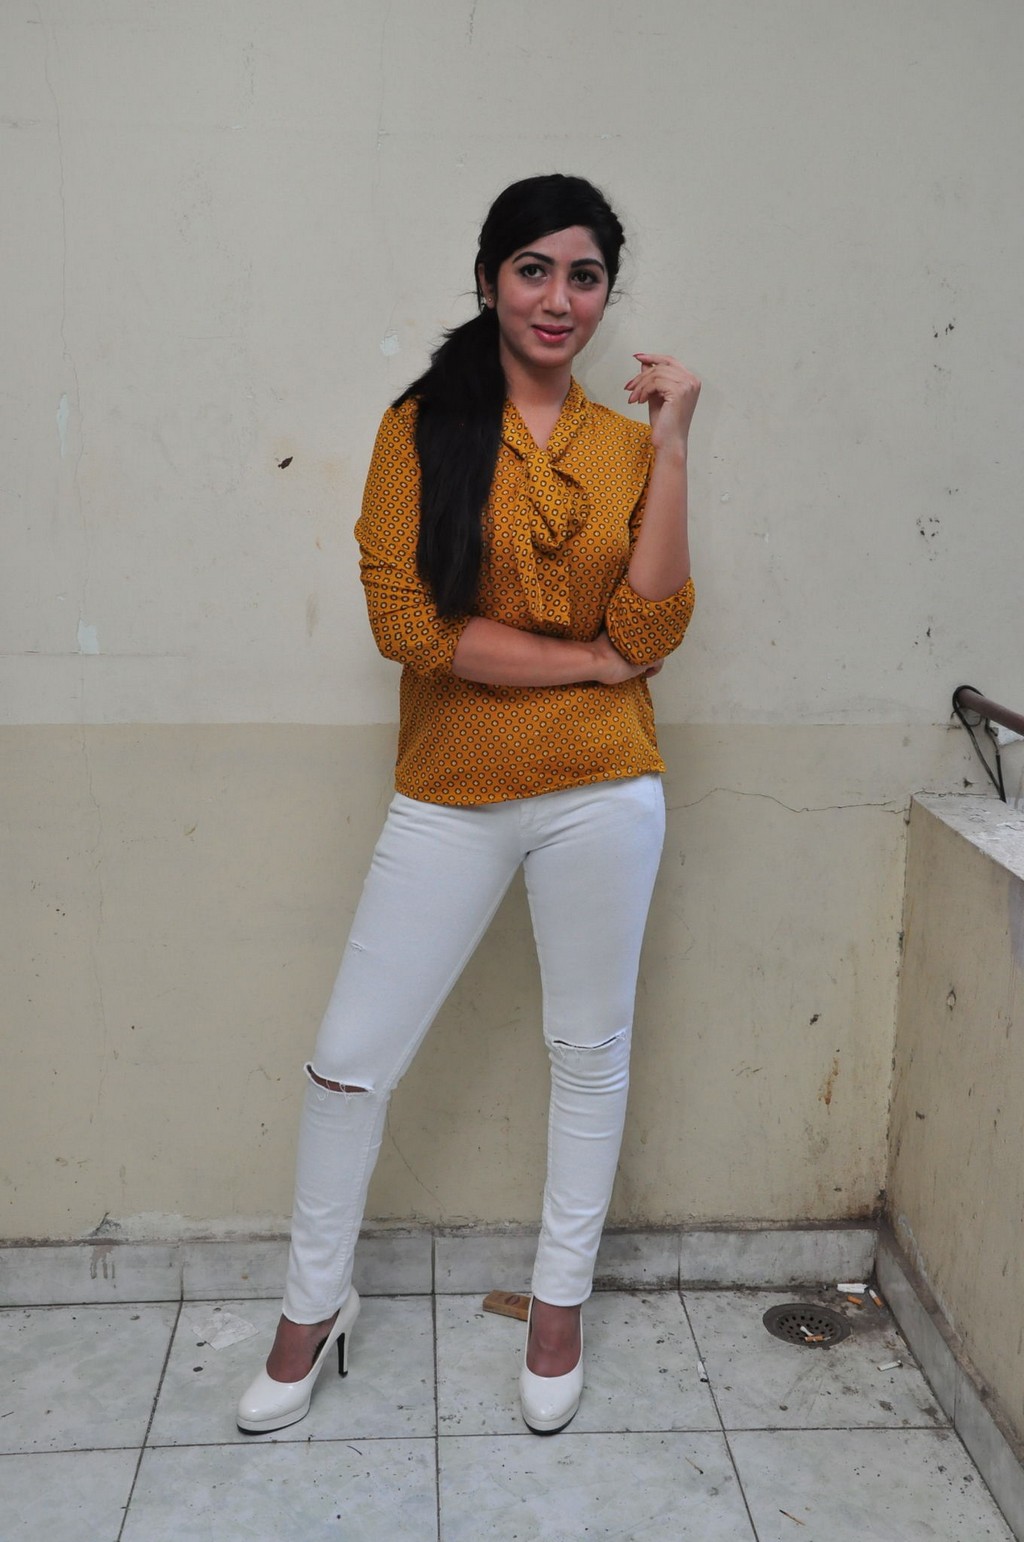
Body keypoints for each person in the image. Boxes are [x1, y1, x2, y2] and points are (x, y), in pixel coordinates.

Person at [237, 172, 700, 1438]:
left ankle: (557, 1307)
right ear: (490, 279)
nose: (558, 298)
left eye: (584, 276)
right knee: (350, 1063)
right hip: (453, 788)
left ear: (605, 295)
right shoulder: (421, 428)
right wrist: (588, 663)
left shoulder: (622, 447)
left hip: (605, 789)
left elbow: (655, 624)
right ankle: (310, 1308)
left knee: (588, 1053)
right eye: (533, 269)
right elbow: (409, 627)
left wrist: (671, 446)